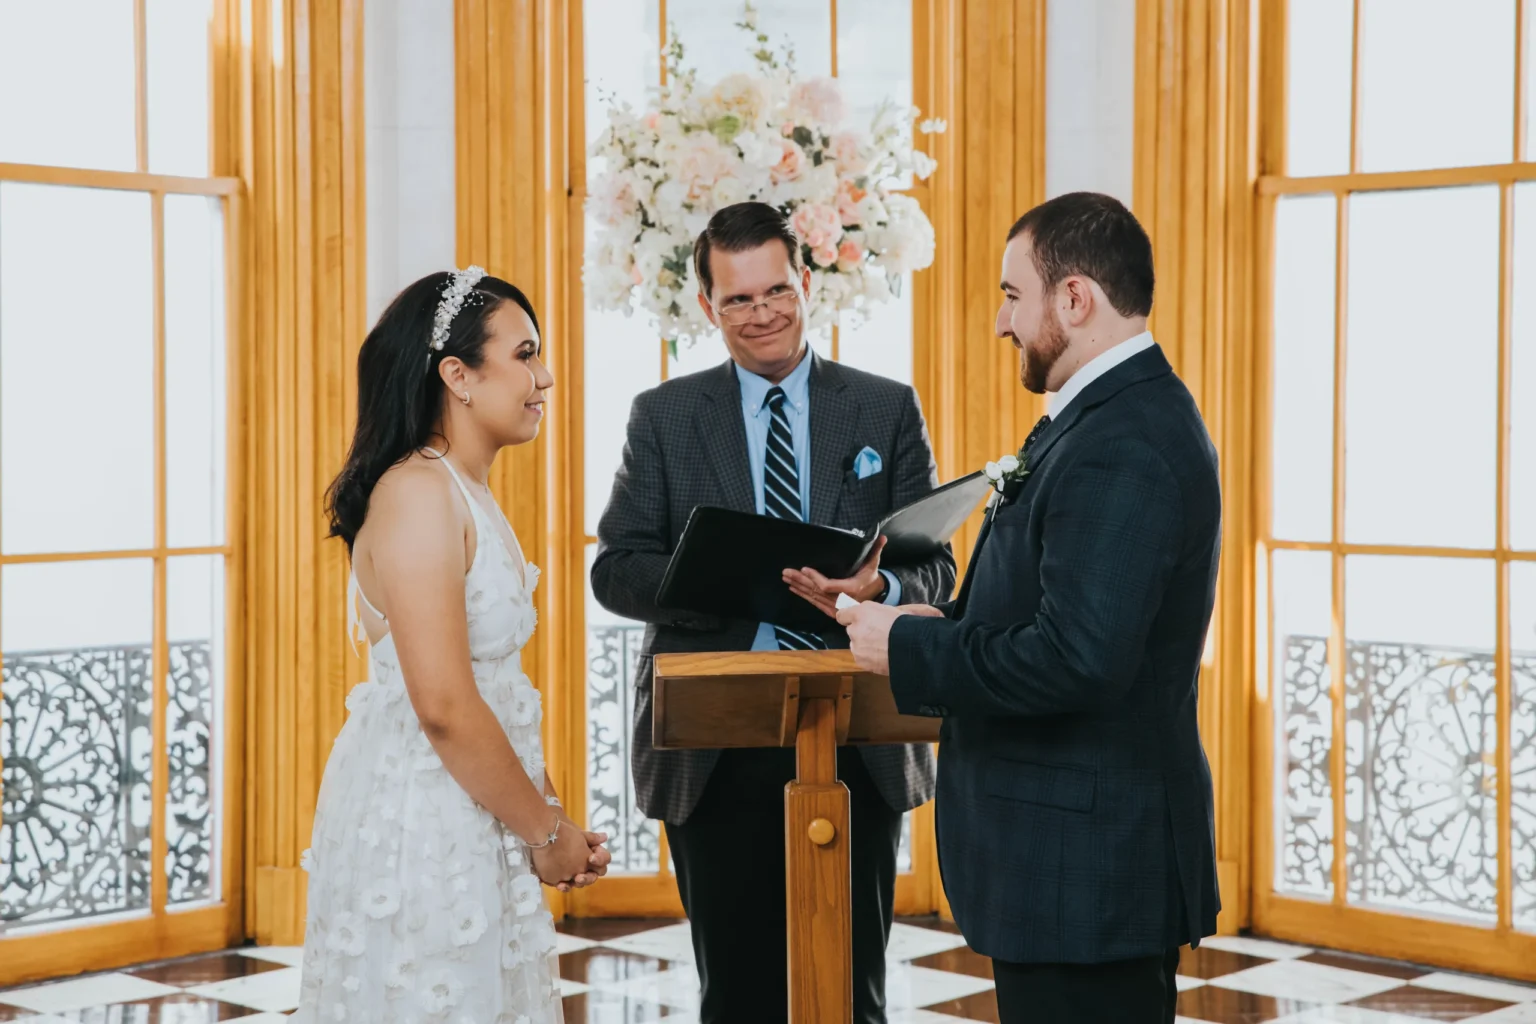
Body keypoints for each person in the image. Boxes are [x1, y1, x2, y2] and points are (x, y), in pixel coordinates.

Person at [837, 192, 1222, 1024]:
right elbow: (1066, 620)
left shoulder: (1124, 441)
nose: (1003, 323)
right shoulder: (1101, 420)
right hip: (1066, 861)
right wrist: (932, 625)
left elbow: (1078, 660)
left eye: (1014, 296)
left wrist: (903, 652)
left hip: (1086, 867)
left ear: (1075, 299)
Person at [591, 202, 956, 1023]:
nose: (763, 315)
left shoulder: (884, 408)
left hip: (857, 729)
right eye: (739, 301)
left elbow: (935, 564)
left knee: (852, 991)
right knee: (737, 995)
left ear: (808, 282)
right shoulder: (665, 417)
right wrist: (717, 581)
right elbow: (615, 568)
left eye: (778, 291)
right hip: (713, 738)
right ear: (706, 307)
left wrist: (880, 592)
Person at [295, 268, 610, 1023]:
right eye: (525, 354)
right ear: (457, 375)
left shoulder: (466, 490)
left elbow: (499, 684)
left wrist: (549, 812)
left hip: (476, 809)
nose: (546, 376)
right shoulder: (416, 492)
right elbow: (441, 702)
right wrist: (545, 831)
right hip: (425, 819)